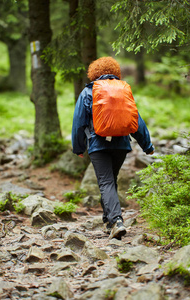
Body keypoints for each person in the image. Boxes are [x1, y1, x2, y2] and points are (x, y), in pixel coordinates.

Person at [72, 57, 154, 240]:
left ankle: (116, 221)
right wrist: (147, 146)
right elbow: (136, 120)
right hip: (121, 144)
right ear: (115, 71)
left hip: (98, 144)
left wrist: (78, 147)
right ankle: (108, 221)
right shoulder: (123, 91)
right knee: (110, 180)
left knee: (106, 182)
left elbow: (79, 122)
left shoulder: (88, 91)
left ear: (93, 72)